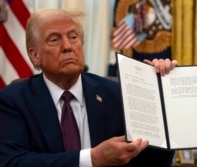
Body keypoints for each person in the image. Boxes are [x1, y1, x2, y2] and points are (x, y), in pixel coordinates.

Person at [0, 9, 178, 167]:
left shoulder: (118, 94)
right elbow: (13, 162)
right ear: (35, 55)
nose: (68, 46)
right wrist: (93, 159)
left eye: (73, 37)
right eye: (54, 40)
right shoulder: (13, 100)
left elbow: (152, 161)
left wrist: (160, 96)